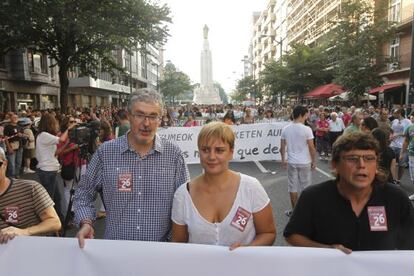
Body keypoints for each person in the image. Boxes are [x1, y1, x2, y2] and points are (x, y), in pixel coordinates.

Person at [74, 89, 190, 248]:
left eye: (153, 116)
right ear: (128, 116)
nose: (146, 123)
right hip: (116, 252)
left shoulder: (174, 155)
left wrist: (175, 240)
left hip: (161, 253)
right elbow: (83, 193)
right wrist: (86, 221)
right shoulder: (105, 153)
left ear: (160, 118)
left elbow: (186, 202)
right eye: (140, 115)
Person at [284, 132, 414, 253]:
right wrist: (327, 250)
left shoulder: (396, 198)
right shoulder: (313, 197)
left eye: (369, 158)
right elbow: (292, 234)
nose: (361, 165)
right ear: (335, 164)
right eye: (352, 159)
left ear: (376, 165)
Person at [171, 122, 276, 249]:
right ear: (199, 152)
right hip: (199, 268)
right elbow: (178, 244)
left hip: (242, 267)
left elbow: (268, 233)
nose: (211, 156)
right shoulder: (183, 194)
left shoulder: (251, 187)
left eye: (219, 150)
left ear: (231, 152)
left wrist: (248, 248)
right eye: (205, 150)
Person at [0, 147, 61, 244]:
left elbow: (54, 222)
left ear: (5, 164)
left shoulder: (31, 188)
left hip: (32, 252)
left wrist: (24, 232)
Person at [36, 113, 76, 222]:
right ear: (50, 123)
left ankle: (60, 222)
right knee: (50, 200)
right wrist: (69, 129)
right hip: (47, 171)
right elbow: (61, 140)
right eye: (55, 122)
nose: (56, 124)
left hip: (50, 171)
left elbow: (56, 152)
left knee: (57, 199)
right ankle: (51, 223)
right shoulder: (44, 135)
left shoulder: (46, 136)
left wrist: (68, 142)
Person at [280, 106, 316, 217]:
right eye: (306, 115)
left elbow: (282, 147)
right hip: (305, 162)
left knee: (292, 187)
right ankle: (306, 212)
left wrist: (283, 160)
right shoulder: (307, 129)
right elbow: (311, 147)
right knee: (306, 187)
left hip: (292, 162)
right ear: (301, 115)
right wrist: (313, 161)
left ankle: (295, 212)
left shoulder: (286, 129)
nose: (307, 117)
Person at [390, 108, 411, 184]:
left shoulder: (407, 121)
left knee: (401, 164)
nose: (393, 114)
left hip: (402, 145)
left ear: (400, 113)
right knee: (392, 162)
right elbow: (391, 130)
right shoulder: (394, 121)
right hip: (393, 144)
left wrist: (398, 134)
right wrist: (391, 136)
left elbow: (408, 133)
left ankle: (398, 180)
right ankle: (393, 179)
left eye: (395, 113)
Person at [3, 113, 24, 178]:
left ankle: (16, 175)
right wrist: (8, 147)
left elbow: (23, 135)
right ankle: (11, 177)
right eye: (14, 117)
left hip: (20, 147)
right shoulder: (7, 127)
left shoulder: (19, 126)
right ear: (10, 119)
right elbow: (5, 138)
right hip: (11, 147)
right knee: (11, 163)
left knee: (18, 162)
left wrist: (22, 135)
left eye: (16, 117)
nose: (15, 119)